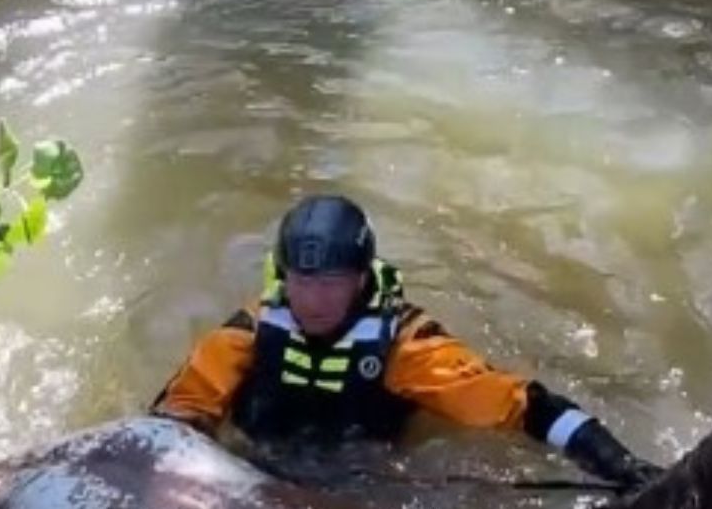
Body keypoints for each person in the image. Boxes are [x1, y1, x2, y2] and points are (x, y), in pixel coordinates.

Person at [151, 194, 661, 491]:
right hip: (253, 476)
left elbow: (523, 407)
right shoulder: (248, 335)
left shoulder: (404, 348)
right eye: (302, 280)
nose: (313, 299)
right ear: (283, 277)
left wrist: (617, 464)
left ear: (359, 279)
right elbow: (179, 414)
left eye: (331, 281)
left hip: (362, 486)